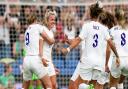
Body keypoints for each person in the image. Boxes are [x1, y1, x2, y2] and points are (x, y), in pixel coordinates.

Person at [61, 2, 120, 89]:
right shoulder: (104, 30)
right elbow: (79, 40)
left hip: (87, 60)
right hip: (99, 63)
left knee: (80, 85)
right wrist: (69, 41)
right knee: (90, 85)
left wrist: (68, 49)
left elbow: (78, 40)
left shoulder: (88, 26)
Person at [22, 13, 55, 89]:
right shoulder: (38, 27)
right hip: (35, 59)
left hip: (26, 60)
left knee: (25, 87)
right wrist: (53, 40)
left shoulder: (26, 31)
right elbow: (49, 40)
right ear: (36, 20)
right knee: (48, 85)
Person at [108, 8, 128, 89]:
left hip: (118, 59)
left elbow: (108, 45)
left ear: (115, 18)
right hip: (127, 59)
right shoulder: (127, 29)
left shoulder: (112, 30)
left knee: (112, 85)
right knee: (120, 82)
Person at [39, 10, 57, 89]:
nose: (54, 21)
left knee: (54, 85)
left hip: (49, 62)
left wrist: (52, 64)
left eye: (54, 19)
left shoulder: (51, 32)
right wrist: (42, 59)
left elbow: (50, 51)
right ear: (47, 20)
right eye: (52, 19)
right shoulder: (43, 29)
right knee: (47, 86)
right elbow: (40, 46)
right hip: (43, 61)